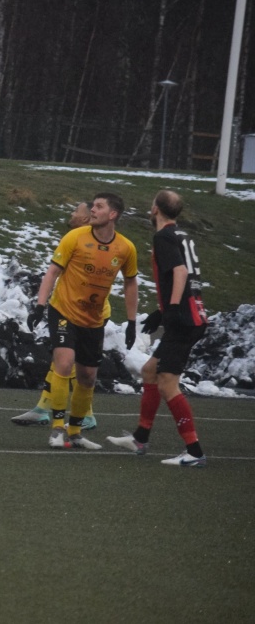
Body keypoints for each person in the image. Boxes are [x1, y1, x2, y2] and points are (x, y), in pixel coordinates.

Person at [26, 192, 138, 450]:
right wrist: (40, 306)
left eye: (99, 206)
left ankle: (75, 432)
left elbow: (131, 282)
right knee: (64, 364)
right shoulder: (74, 237)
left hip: (94, 319)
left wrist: (132, 322)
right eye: (93, 206)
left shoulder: (126, 248)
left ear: (113, 214)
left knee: (88, 376)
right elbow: (52, 272)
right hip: (63, 311)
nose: (93, 210)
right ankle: (57, 428)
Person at [107, 190, 209, 466]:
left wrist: (171, 310)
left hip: (184, 320)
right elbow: (187, 276)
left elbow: (180, 272)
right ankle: (141, 438)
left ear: (155, 209)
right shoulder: (183, 235)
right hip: (192, 315)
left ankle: (194, 452)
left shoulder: (163, 236)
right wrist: (161, 313)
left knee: (167, 383)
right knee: (150, 371)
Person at [11, 201, 102, 429]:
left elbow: (54, 273)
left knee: (73, 364)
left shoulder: (89, 243)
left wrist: (41, 306)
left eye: (76, 211)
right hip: (68, 309)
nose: (71, 213)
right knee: (62, 361)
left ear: (85, 219)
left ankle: (83, 415)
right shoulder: (75, 239)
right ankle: (44, 409)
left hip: (84, 313)